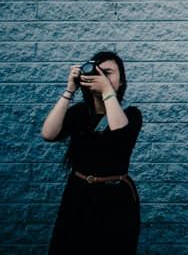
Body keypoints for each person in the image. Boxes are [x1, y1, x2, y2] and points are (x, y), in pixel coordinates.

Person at [41, 51, 142, 254]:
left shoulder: (131, 115)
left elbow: (119, 134)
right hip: (78, 194)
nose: (102, 77)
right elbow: (48, 134)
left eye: (108, 73)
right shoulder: (79, 113)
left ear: (121, 81)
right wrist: (70, 90)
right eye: (98, 72)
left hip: (115, 199)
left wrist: (107, 91)